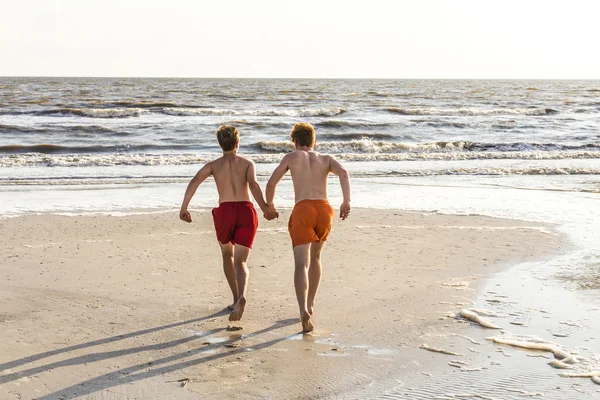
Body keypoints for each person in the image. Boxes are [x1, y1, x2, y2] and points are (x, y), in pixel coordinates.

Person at [180, 125, 278, 322]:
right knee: (241, 261)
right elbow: (253, 185)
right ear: (237, 143)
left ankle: (235, 298)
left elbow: (195, 181)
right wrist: (266, 208)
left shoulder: (213, 165)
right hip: (245, 211)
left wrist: (184, 207)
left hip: (225, 212)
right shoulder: (247, 163)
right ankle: (242, 295)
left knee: (227, 255)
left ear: (220, 144)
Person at [266, 123, 351, 332]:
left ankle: (303, 308)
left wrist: (270, 206)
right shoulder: (326, 159)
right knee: (316, 258)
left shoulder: (291, 157)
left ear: (295, 142)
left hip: (303, 209)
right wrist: (346, 201)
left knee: (301, 264)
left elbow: (271, 183)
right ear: (314, 142)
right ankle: (311, 303)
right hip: (324, 209)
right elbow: (344, 174)